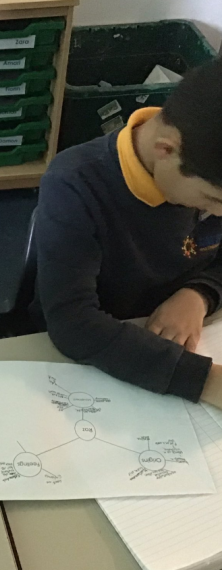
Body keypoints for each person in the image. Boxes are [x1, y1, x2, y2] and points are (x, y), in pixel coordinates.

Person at [30, 57, 222, 409]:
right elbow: (72, 323)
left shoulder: (206, 172)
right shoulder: (75, 184)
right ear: (166, 150)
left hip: (178, 327)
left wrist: (200, 293)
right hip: (99, 342)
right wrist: (206, 381)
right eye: (213, 200)